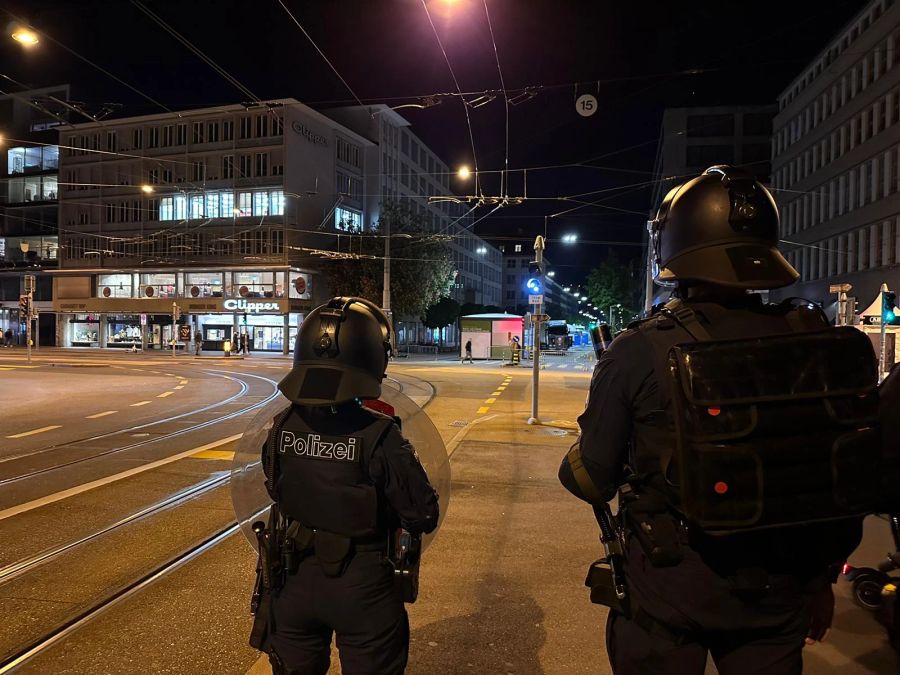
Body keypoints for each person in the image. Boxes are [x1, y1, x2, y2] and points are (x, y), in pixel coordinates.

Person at [559, 165, 895, 675]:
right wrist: (820, 581)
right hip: (782, 591)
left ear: (677, 246)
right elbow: (835, 472)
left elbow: (592, 476)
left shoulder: (640, 348)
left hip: (668, 590)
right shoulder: (810, 337)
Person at [250, 296, 439, 674]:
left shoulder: (280, 428)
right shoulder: (380, 435)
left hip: (292, 580)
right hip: (364, 587)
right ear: (372, 357)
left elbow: (275, 489)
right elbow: (422, 514)